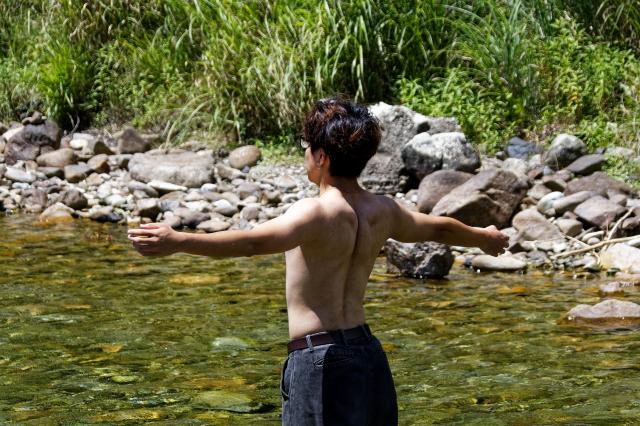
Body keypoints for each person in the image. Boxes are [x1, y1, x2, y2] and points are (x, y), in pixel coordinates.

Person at [127, 97, 509, 425]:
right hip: (368, 356)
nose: (305, 155)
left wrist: (180, 241)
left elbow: (252, 243)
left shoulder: (315, 212)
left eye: (307, 147)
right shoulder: (383, 210)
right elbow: (438, 228)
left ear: (322, 157)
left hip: (319, 359)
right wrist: (484, 237)